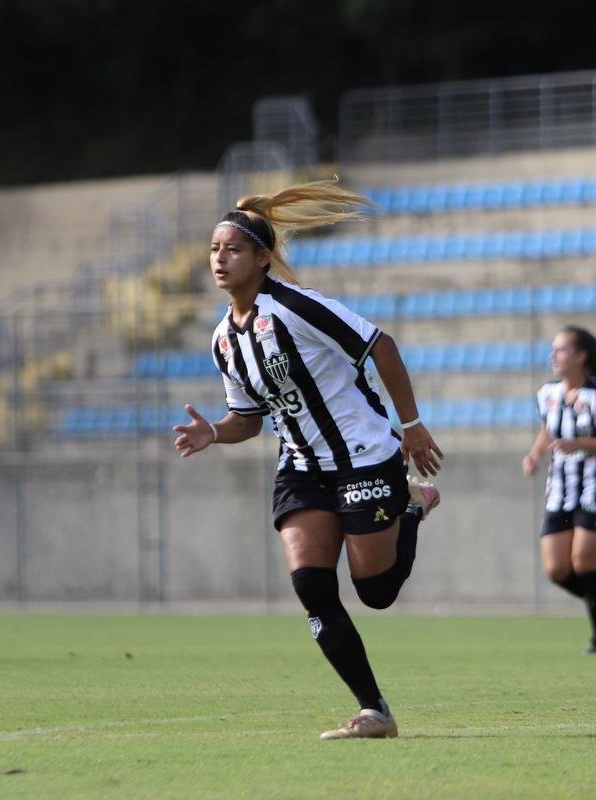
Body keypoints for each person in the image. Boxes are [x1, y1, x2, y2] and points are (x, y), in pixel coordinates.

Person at [173, 181, 443, 740]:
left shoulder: (297, 307)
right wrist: (213, 433)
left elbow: (381, 345)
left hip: (363, 457)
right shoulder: (223, 340)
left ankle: (411, 509)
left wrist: (413, 425)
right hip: (300, 467)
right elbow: (248, 419)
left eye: (233, 249)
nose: (219, 259)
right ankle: (374, 710)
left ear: (262, 258)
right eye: (214, 249)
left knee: (376, 593)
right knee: (312, 588)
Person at [523, 326, 596, 653]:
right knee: (556, 570)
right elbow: (548, 429)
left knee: (583, 564)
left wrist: (580, 443)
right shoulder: (547, 394)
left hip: (595, 493)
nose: (554, 355)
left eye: (561, 349)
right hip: (560, 492)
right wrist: (535, 454)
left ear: (581, 356)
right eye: (553, 349)